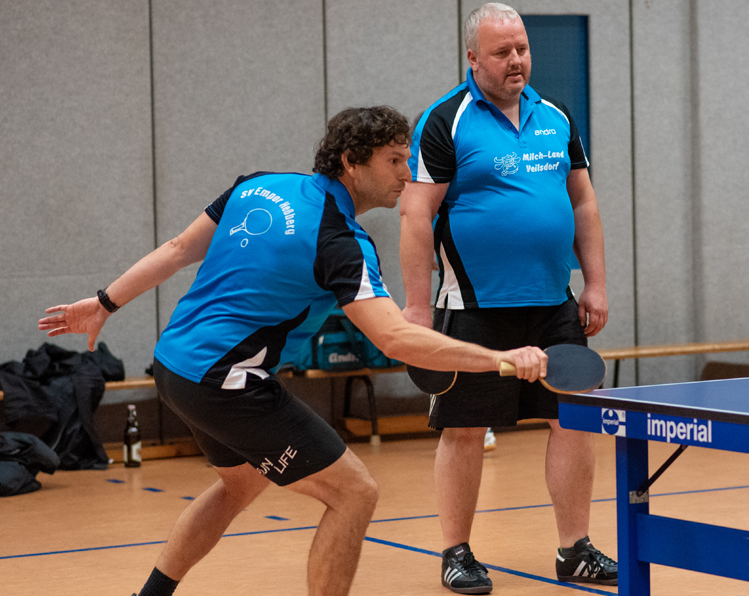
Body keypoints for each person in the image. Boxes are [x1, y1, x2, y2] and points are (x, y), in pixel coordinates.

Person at [38, 106, 548, 596]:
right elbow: (393, 338)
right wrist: (499, 358)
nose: (407, 171)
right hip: (227, 383)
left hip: (175, 365)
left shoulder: (257, 185)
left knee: (240, 486)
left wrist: (106, 302)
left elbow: (176, 251)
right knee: (355, 494)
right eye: (394, 159)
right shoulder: (340, 241)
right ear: (352, 161)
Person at [398, 4, 614, 593]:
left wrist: (593, 283)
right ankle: (457, 552)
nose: (516, 59)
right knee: (465, 429)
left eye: (520, 48)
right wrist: (417, 311)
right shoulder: (445, 121)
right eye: (502, 51)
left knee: (572, 422)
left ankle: (575, 549)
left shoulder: (556, 116)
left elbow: (584, 203)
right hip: (473, 307)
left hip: (553, 303)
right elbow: (416, 216)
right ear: (473, 58)